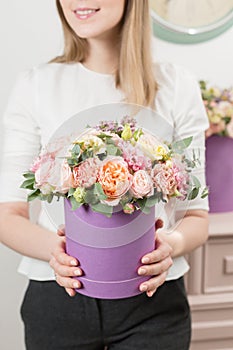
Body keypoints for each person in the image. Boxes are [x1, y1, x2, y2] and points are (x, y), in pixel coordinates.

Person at [0, 1, 209, 349]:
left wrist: (170, 245)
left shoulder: (176, 85)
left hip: (154, 302)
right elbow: (8, 214)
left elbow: (198, 215)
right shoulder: (36, 85)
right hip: (57, 300)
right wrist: (58, 251)